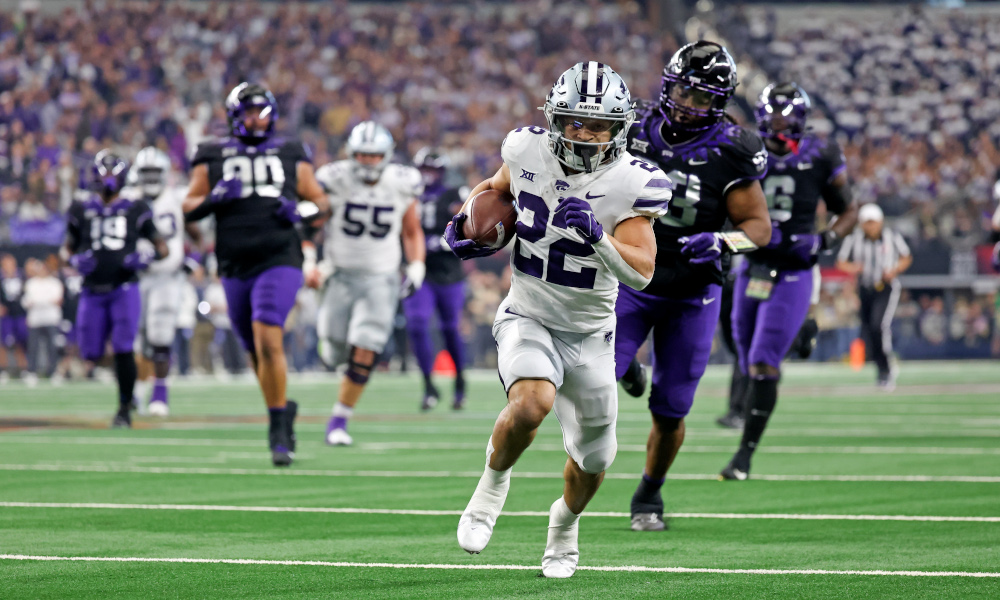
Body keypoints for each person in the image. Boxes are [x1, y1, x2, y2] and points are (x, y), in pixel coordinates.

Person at [447, 61, 671, 578]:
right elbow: (494, 188)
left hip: (592, 334)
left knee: (595, 459)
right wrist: (465, 221)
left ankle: (564, 525)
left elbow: (642, 272)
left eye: (599, 125)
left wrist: (598, 237)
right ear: (555, 120)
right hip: (528, 312)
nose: (587, 134)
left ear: (620, 129)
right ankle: (490, 489)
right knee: (532, 403)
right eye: (575, 122)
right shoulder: (525, 149)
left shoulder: (633, 182)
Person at [614, 41, 771, 530]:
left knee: (670, 408)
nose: (687, 103)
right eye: (683, 89)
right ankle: (627, 372)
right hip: (630, 280)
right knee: (595, 372)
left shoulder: (732, 150)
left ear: (719, 103)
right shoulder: (631, 130)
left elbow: (759, 230)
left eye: (702, 98)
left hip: (693, 293)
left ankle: (649, 494)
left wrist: (725, 242)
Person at [183, 82, 328, 466]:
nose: (255, 119)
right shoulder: (212, 153)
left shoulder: (289, 150)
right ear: (233, 116)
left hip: (279, 255)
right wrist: (215, 197)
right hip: (233, 262)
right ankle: (282, 409)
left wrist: (299, 213)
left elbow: (320, 202)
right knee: (253, 349)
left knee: (268, 335)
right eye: (248, 112)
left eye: (261, 111)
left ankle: (277, 428)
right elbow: (189, 205)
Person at [720, 82, 859, 481]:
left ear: (800, 119)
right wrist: (729, 241)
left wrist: (826, 239)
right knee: (746, 359)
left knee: (763, 361)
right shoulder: (747, 149)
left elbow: (847, 210)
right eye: (773, 116)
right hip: (752, 267)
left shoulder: (820, 153)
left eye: (786, 117)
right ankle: (800, 334)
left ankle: (744, 455)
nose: (779, 124)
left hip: (794, 271)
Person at [311, 121, 426, 446]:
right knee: (334, 350)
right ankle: (332, 352)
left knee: (366, 346)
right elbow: (312, 223)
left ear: (386, 156)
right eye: (362, 154)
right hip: (339, 274)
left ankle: (339, 420)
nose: (368, 162)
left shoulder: (402, 182)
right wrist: (310, 260)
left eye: (375, 156)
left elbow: (411, 229)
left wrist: (416, 265)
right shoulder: (333, 178)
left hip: (381, 276)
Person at [63, 150, 170, 427]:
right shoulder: (80, 209)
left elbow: (163, 247)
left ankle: (124, 406)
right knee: (90, 352)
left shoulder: (137, 209)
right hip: (91, 289)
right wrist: (73, 259)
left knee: (124, 347)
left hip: (124, 288)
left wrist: (146, 257)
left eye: (113, 173)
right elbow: (66, 248)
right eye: (103, 173)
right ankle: (128, 385)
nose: (108, 179)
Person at [404, 147, 468, 410]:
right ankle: (428, 385)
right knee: (417, 324)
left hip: (449, 272)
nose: (428, 176)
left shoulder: (456, 194)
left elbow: (471, 224)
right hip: (420, 270)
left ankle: (460, 382)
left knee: (450, 329)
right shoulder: (408, 194)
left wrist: (448, 242)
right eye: (424, 170)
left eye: (433, 170)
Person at [130, 146, 188, 416]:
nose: (151, 177)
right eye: (146, 172)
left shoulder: (177, 197)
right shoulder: (129, 198)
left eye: (155, 172)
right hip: (137, 275)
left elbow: (196, 227)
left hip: (166, 275)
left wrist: (195, 256)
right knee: (135, 338)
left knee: (160, 334)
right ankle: (137, 392)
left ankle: (160, 394)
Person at [835, 203, 910, 390]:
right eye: (867, 223)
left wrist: (895, 270)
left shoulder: (891, 236)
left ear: (880, 222)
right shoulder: (854, 238)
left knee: (879, 325)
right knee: (869, 330)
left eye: (873, 223)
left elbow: (906, 257)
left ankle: (887, 368)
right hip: (865, 288)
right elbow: (841, 262)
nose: (871, 227)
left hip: (886, 287)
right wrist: (854, 268)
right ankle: (882, 369)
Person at [21, 258, 64, 385]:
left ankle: (53, 372)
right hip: (35, 320)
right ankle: (32, 372)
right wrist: (45, 301)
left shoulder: (55, 283)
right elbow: (27, 301)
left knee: (52, 346)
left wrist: (39, 302)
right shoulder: (31, 283)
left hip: (51, 319)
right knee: (33, 347)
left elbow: (57, 300)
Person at [0, 254, 29, 381]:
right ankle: (3, 370)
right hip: (5, 315)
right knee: (3, 343)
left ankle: (24, 370)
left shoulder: (22, 276)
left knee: (20, 343)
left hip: (19, 314)